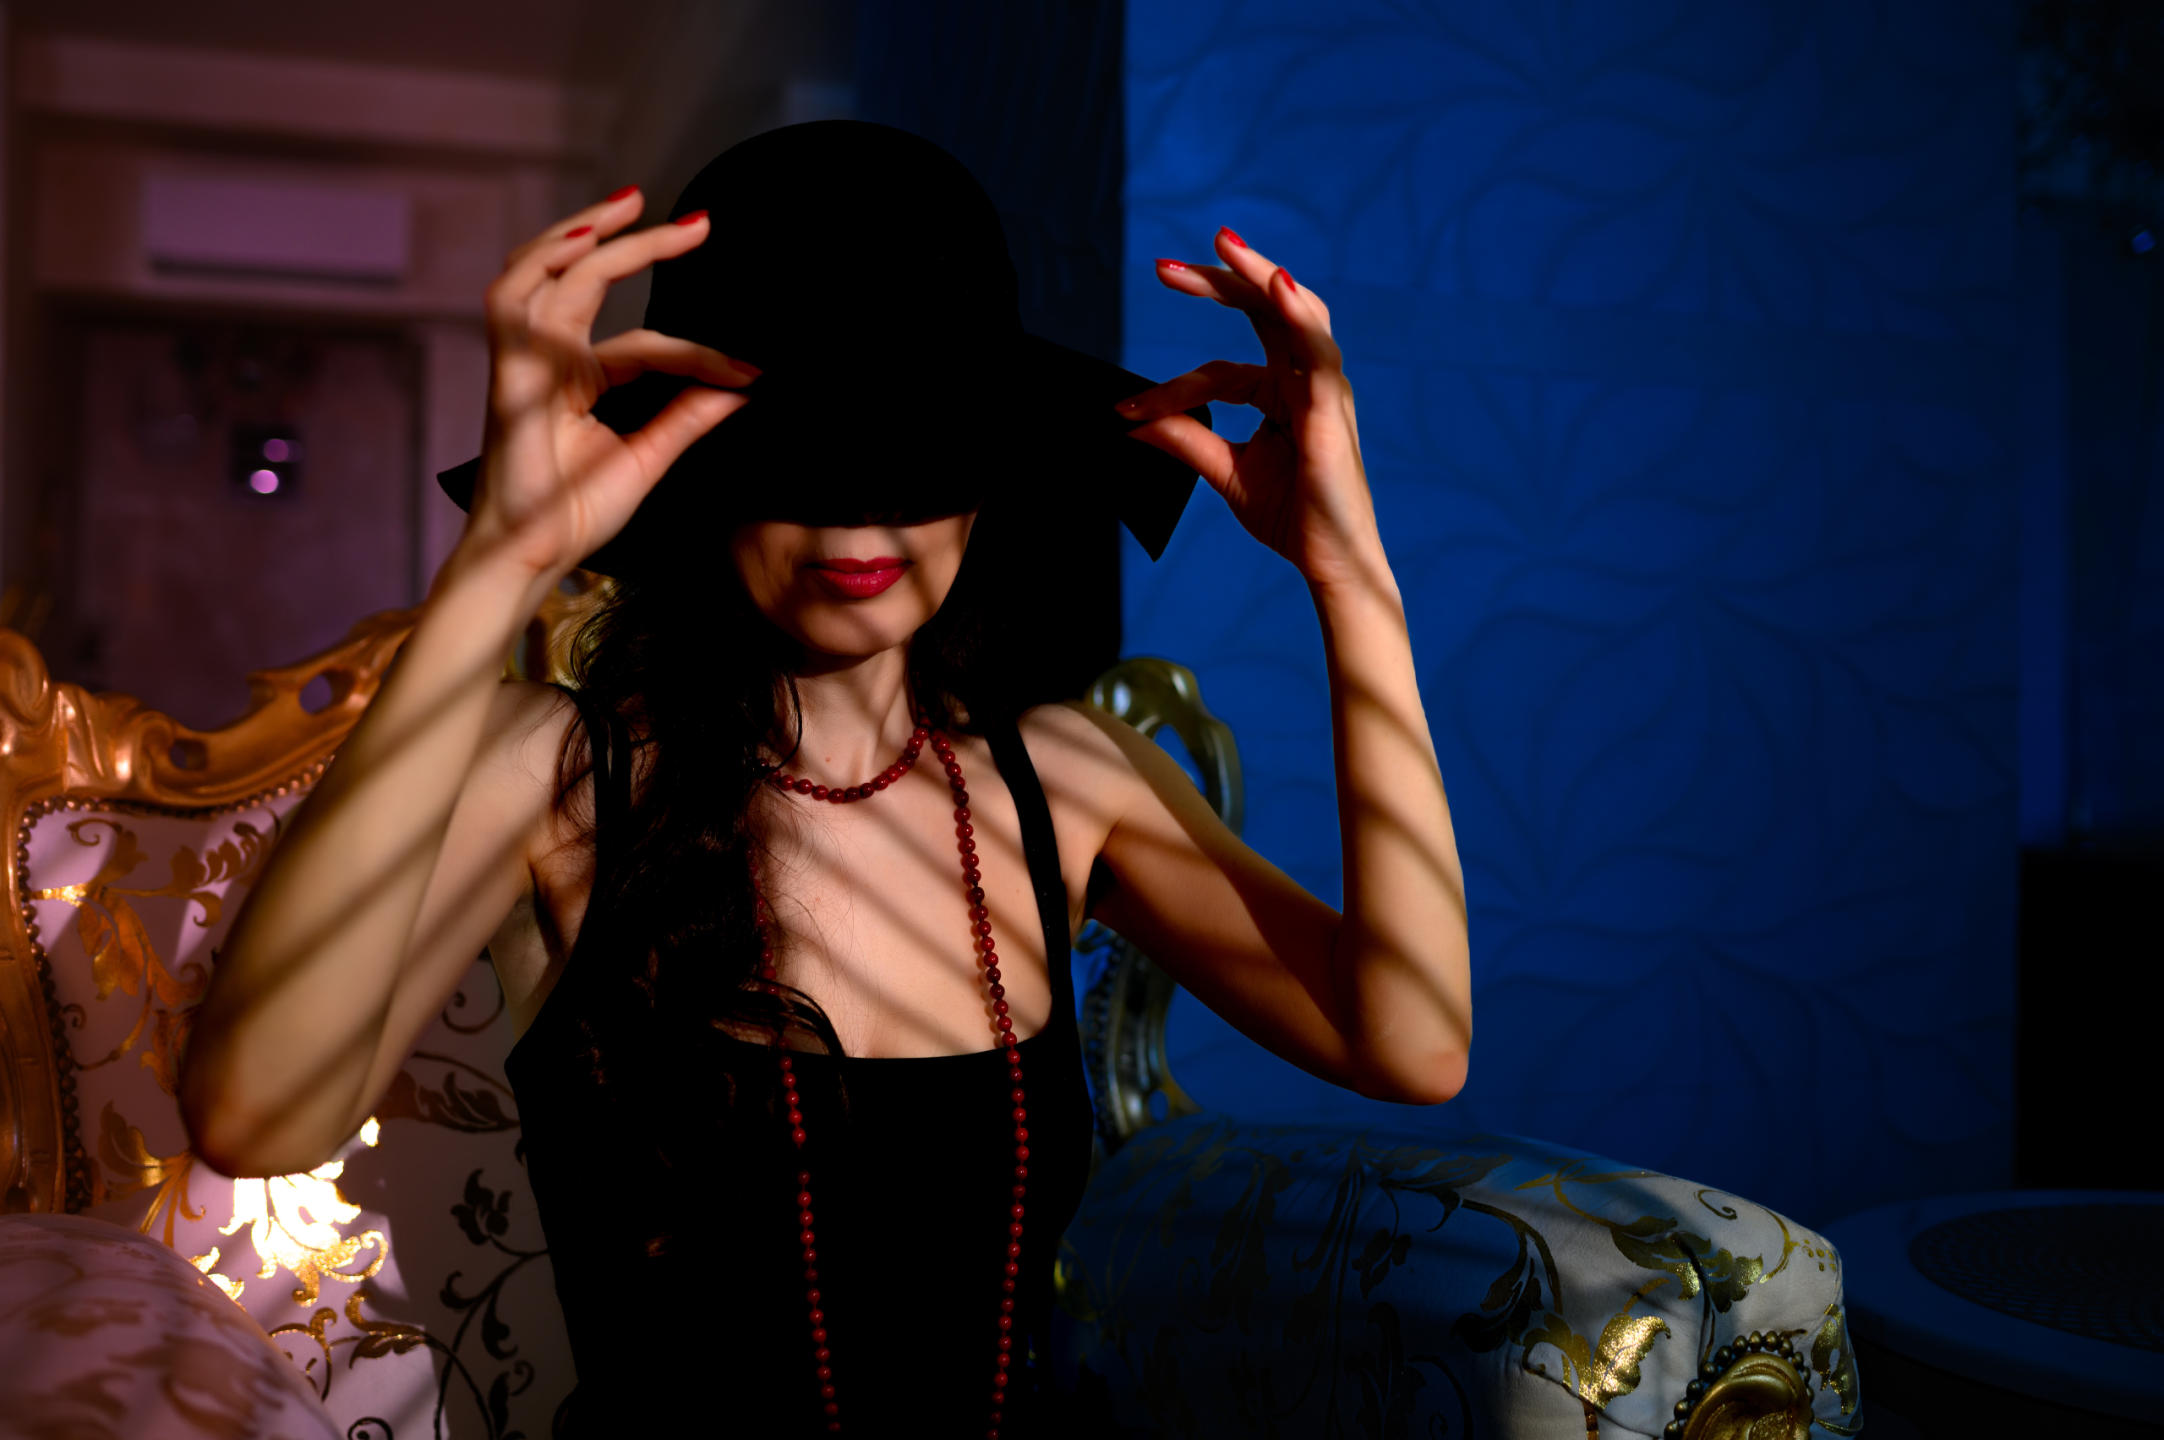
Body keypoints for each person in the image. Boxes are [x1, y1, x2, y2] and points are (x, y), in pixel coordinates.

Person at [177, 121, 1471, 1437]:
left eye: (913, 450)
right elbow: (254, 1118)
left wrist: (1350, 576)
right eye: (798, 453)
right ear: (699, 470)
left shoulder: (1071, 782)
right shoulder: (563, 772)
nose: (857, 516)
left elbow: (1411, 1045)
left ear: (988, 472)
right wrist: (499, 565)